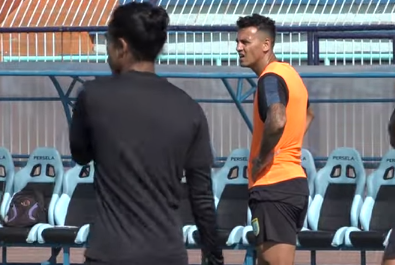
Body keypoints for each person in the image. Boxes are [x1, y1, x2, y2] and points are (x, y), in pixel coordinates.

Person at [69, 2, 223, 265]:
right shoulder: (189, 108)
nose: (106, 52)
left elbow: (81, 155)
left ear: (122, 46)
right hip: (167, 254)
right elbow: (202, 196)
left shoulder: (93, 97)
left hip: (110, 253)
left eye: (107, 43)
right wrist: (213, 255)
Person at [235, 14, 314, 265]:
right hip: (289, 184)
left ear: (266, 45)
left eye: (246, 42)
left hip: (274, 186)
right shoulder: (290, 74)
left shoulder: (270, 78)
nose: (239, 48)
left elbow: (277, 119)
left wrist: (262, 157)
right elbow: (308, 114)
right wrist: (287, 146)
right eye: (238, 42)